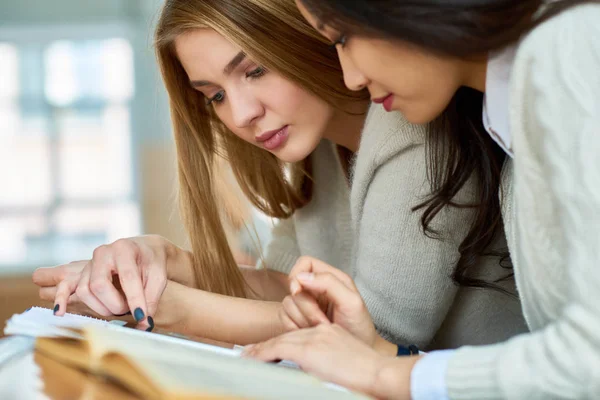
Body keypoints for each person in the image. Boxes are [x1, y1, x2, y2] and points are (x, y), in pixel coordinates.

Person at [33, 0, 526, 349]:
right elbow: (289, 288)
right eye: (215, 96)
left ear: (303, 35)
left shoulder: (414, 127)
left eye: (254, 70)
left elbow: (378, 329)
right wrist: (162, 261)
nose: (242, 113)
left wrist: (169, 308)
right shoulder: (316, 147)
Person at [245, 0, 600, 398]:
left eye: (344, 37)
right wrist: (378, 353)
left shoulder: (568, 46)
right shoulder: (508, 133)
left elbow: (590, 357)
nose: (351, 78)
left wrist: (383, 375)